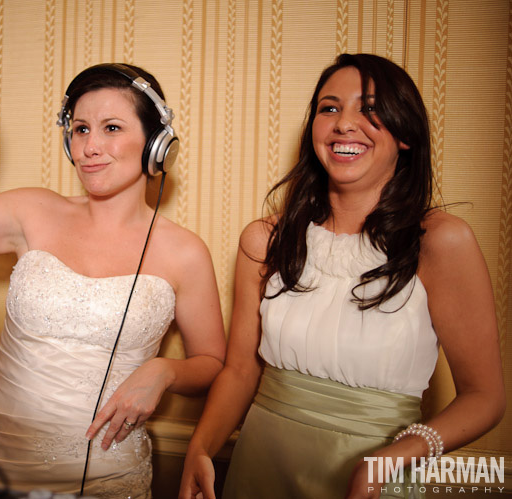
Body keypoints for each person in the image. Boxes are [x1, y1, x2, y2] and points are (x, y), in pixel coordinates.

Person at [0, 1, 226, 497]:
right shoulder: (31, 212)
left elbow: (211, 360)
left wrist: (164, 370)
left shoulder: (185, 252)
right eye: (80, 129)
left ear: (157, 144)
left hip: (108, 478)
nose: (89, 146)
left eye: (112, 128)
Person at [179, 53, 505, 499]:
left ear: (405, 135)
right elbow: (240, 370)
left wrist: (395, 457)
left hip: (378, 479)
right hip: (260, 466)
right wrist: (199, 448)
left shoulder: (441, 243)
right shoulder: (264, 240)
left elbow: (484, 397)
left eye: (369, 109)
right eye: (329, 108)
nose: (343, 123)